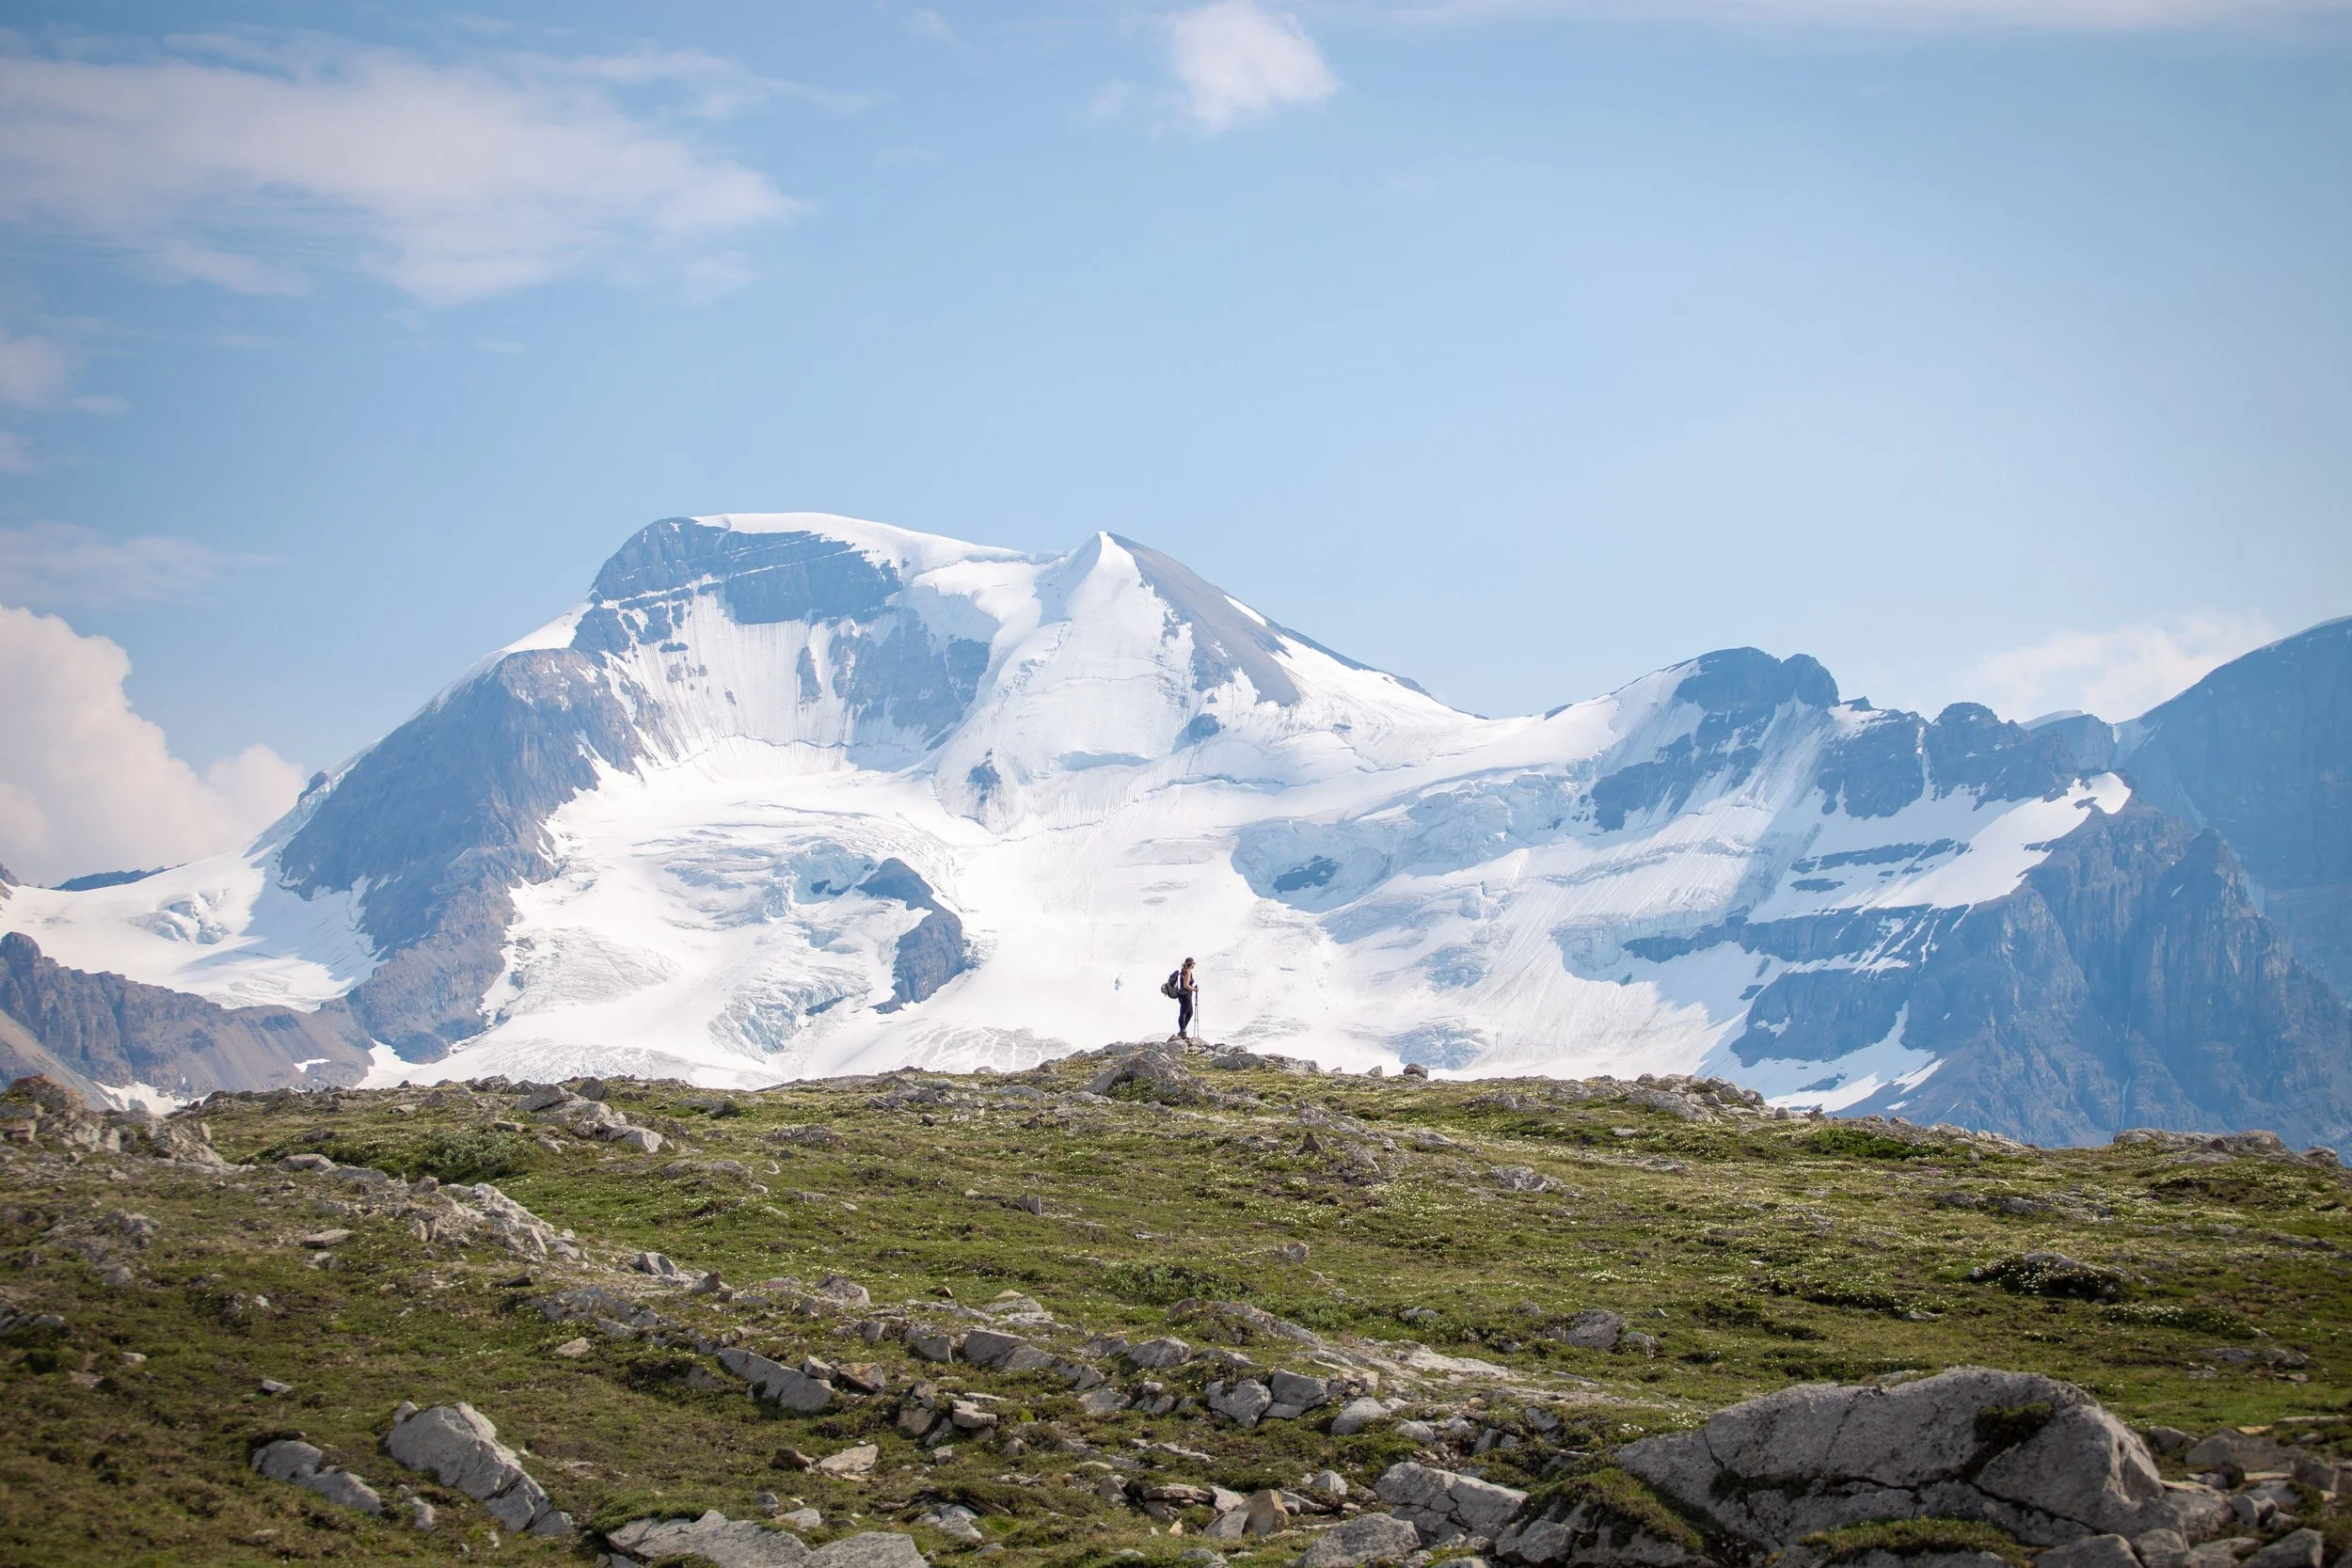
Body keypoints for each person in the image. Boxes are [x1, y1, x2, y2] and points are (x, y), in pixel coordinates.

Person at [1174, 957, 1198, 1040]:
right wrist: (1194, 989)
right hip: (1186, 995)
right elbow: (1186, 985)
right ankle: (1182, 1032)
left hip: (1183, 995)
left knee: (1188, 1013)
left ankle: (1182, 1030)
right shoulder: (1187, 972)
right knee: (1184, 1013)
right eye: (1193, 964)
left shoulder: (1184, 972)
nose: (1194, 965)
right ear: (1190, 964)